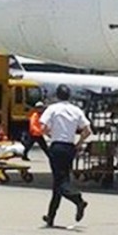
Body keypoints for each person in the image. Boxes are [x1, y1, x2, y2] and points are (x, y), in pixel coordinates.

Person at [39, 83, 91, 226]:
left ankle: (78, 200)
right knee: (60, 181)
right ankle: (51, 216)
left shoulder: (53, 109)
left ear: (57, 96)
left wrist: (50, 134)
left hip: (57, 146)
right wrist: (78, 144)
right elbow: (87, 131)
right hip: (69, 147)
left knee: (60, 182)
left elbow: (42, 127)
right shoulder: (76, 110)